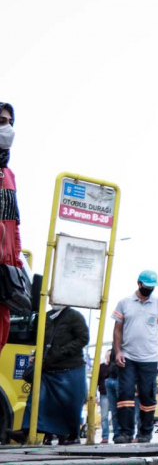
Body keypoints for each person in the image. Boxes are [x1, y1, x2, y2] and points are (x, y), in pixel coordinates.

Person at [14, 306, 89, 445]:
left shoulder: (74, 316)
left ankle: (71, 435)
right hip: (48, 368)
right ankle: (27, 430)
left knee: (69, 405)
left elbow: (84, 338)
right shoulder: (47, 316)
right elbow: (43, 341)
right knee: (37, 398)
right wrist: (37, 356)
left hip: (69, 367)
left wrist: (62, 351)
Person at [111, 270, 158, 444]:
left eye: (152, 287)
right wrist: (118, 351)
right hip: (128, 357)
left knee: (147, 394)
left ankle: (145, 433)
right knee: (126, 393)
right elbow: (117, 329)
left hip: (150, 358)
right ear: (138, 283)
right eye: (146, 286)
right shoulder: (124, 303)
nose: (149, 289)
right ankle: (125, 433)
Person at [0, 102, 23, 358]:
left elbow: (13, 225)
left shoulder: (9, 175)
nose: (5, 128)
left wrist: (15, 266)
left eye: (7, 122)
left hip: (2, 274)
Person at [98, 350, 117, 444]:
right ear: (106, 356)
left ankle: (116, 435)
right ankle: (105, 437)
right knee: (104, 417)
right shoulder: (101, 367)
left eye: (111, 355)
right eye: (108, 355)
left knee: (115, 415)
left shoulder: (114, 367)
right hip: (104, 394)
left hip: (113, 394)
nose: (109, 357)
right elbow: (97, 381)